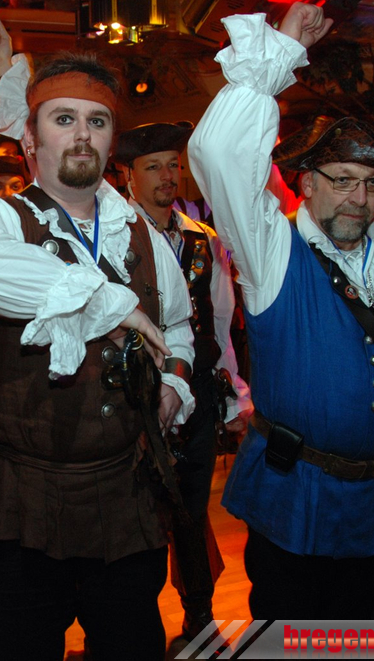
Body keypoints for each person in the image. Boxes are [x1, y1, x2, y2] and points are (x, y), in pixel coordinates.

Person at [0, 16, 195, 660]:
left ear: (111, 139)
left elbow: (178, 325)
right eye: (63, 119)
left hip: (123, 489)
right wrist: (106, 303)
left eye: (96, 121)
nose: (81, 134)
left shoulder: (141, 234)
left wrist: (175, 382)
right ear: (30, 135)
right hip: (19, 497)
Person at [188, 2, 374, 620]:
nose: (358, 198)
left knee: (367, 640)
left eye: (372, 183)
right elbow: (218, 153)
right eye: (342, 179)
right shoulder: (272, 252)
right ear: (307, 182)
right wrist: (281, 52)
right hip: (295, 491)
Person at [113, 122, 252, 646]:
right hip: (131, 398)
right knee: (138, 519)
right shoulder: (113, 235)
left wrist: (234, 395)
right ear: (129, 176)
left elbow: (221, 322)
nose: (168, 176)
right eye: (154, 166)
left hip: (198, 397)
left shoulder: (202, 239)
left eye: (173, 165)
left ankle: (200, 621)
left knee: (192, 512)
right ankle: (133, 633)